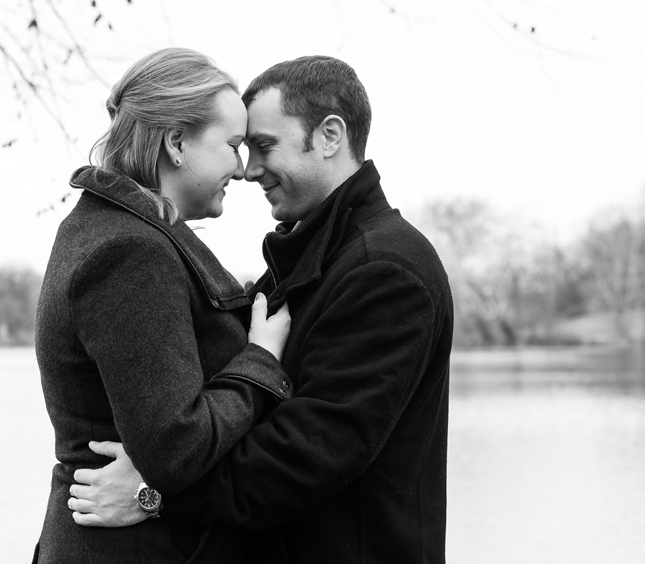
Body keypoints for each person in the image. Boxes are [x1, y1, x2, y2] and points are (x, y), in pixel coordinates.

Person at [68, 55, 455, 563]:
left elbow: (308, 452)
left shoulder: (384, 271)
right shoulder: (309, 258)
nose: (248, 170)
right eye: (239, 147)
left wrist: (157, 494)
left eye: (263, 146)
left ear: (330, 136)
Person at [32, 48, 294, 564]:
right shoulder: (131, 252)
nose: (242, 171)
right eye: (232, 146)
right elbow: (175, 447)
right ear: (177, 142)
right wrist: (260, 361)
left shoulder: (118, 230)